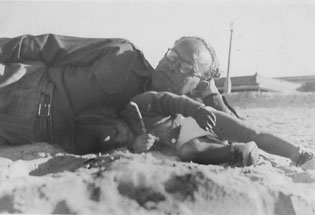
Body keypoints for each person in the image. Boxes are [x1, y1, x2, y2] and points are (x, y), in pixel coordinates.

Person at [0, 34, 312, 167]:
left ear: (198, 83)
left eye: (185, 66)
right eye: (172, 54)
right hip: (21, 84)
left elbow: (245, 132)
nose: (171, 64)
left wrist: (298, 154)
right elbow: (47, 45)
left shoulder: (174, 120)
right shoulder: (122, 54)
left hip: (22, 132)